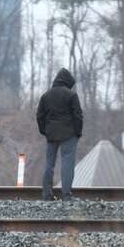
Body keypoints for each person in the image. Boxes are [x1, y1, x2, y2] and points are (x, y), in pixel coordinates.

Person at [36, 67, 84, 201]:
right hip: (69, 135)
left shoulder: (46, 96)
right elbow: (78, 115)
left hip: (51, 135)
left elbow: (39, 116)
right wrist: (78, 132)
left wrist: (44, 131)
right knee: (67, 164)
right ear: (68, 82)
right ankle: (67, 195)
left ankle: (46, 195)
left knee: (49, 164)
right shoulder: (72, 95)